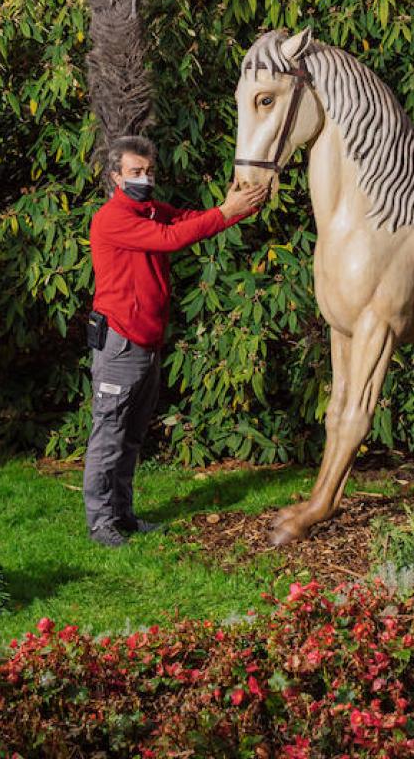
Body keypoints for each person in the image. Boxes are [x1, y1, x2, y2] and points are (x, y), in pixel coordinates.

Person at [85, 136, 267, 547]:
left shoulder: (149, 210)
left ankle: (123, 516)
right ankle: (100, 525)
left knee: (131, 436)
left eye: (149, 172)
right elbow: (172, 240)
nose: (144, 179)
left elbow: (187, 220)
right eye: (135, 172)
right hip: (120, 344)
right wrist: (225, 211)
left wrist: (235, 206)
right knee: (109, 434)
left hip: (148, 342)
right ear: (116, 176)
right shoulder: (113, 218)